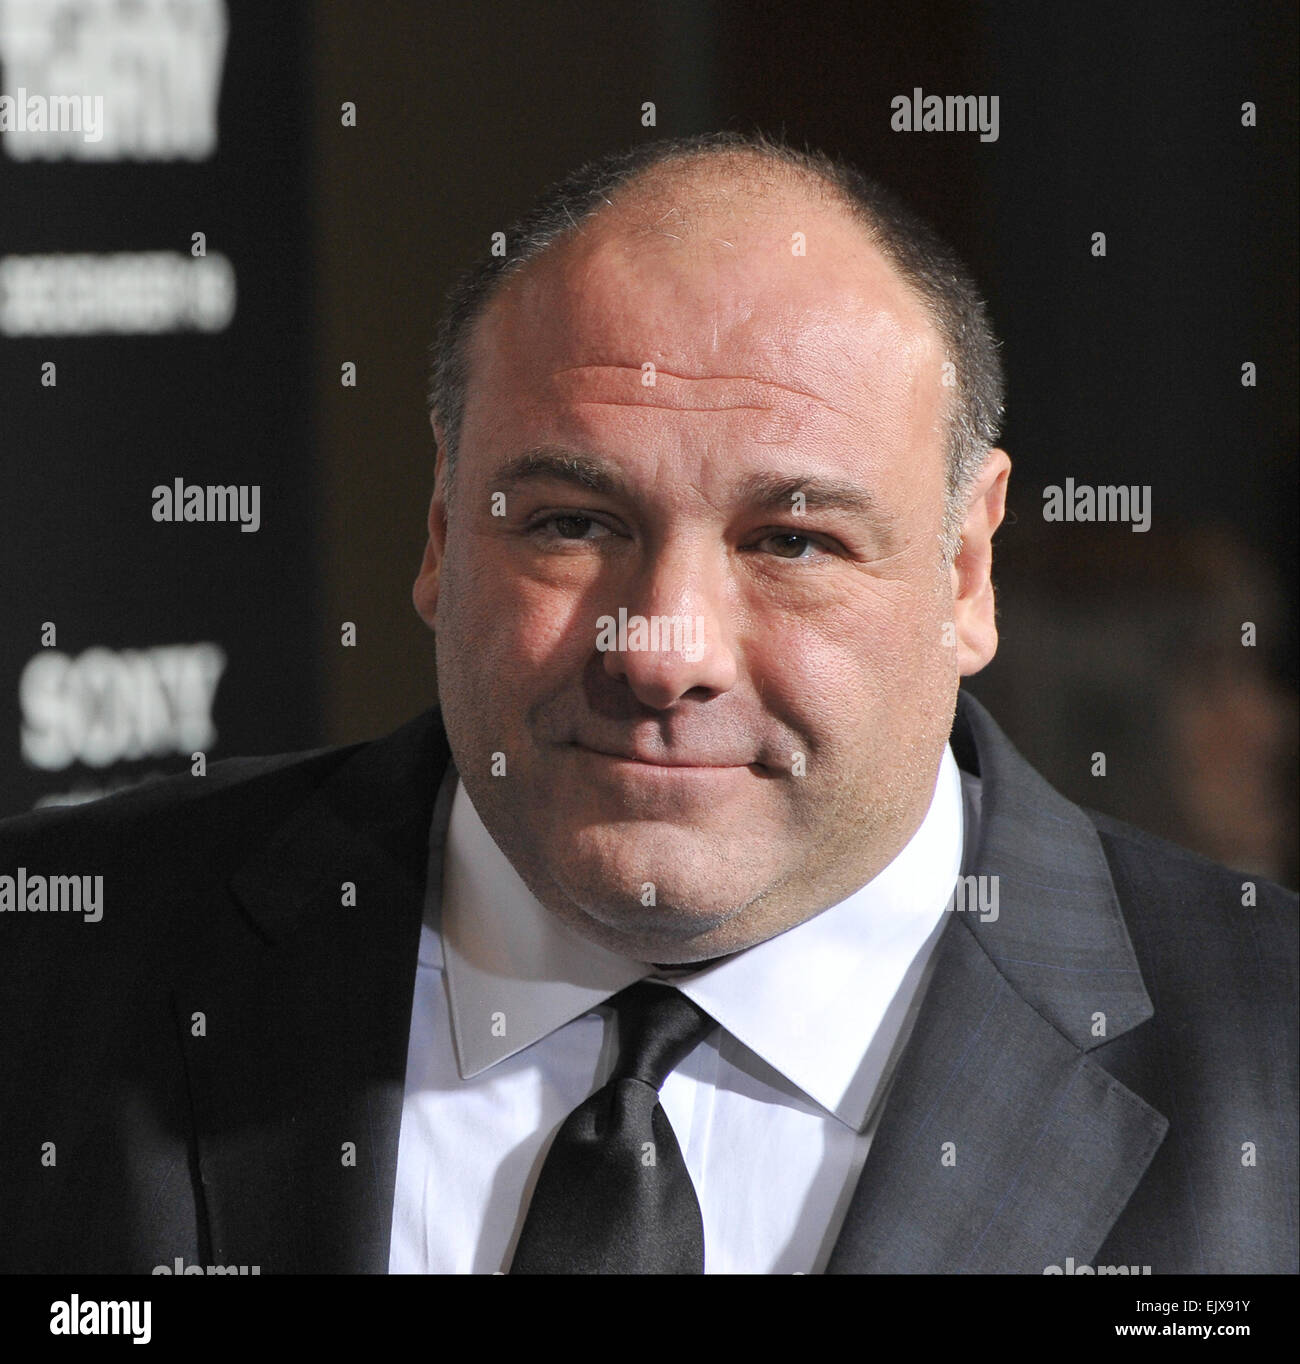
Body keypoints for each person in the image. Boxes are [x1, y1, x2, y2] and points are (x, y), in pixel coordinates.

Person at [1, 132, 1294, 1275]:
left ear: (966, 570)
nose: (661, 649)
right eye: (572, 523)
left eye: (790, 541)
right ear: (444, 527)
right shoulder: (56, 968)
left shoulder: (1272, 1069)